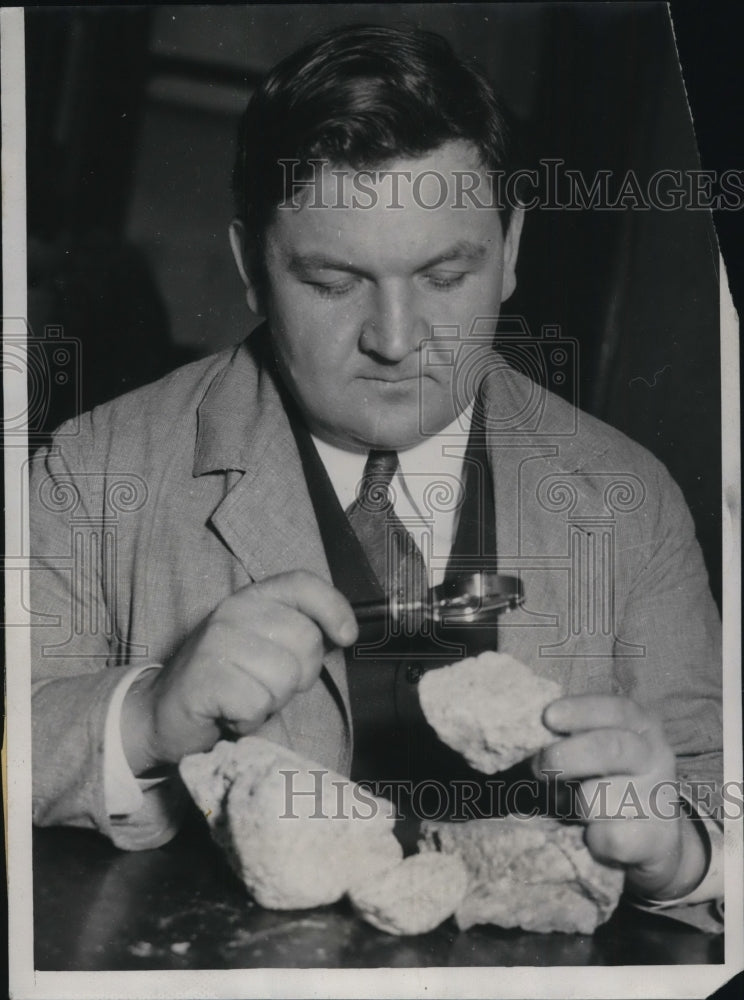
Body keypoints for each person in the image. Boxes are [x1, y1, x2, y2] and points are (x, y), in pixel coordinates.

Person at [30, 25, 723, 921]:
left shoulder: (632, 502)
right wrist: (145, 715)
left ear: (510, 250)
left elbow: (713, 787)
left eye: (444, 276)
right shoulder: (92, 476)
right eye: (330, 282)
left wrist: (681, 851)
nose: (396, 341)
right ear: (252, 268)